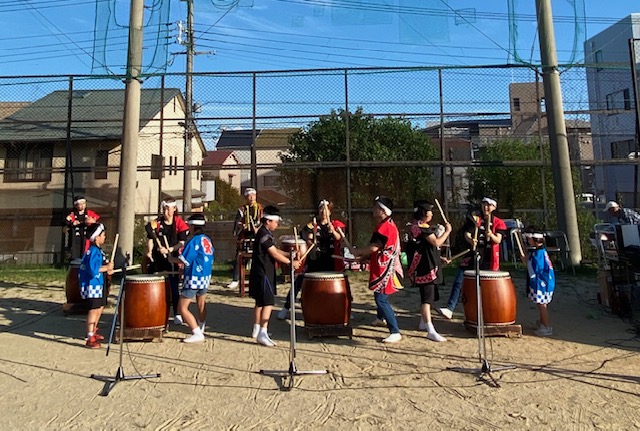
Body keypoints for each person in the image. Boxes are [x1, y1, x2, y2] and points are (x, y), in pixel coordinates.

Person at [438, 197, 507, 319]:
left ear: (494, 208)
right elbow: (467, 233)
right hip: (472, 253)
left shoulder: (498, 222)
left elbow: (498, 240)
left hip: (488, 257)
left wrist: (491, 235)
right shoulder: (475, 219)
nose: (486, 207)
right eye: (484, 204)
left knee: (485, 287)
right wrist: (471, 239)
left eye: (489, 205)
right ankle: (450, 308)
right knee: (459, 280)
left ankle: (487, 313)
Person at [277, 199, 347, 320]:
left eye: (325, 209)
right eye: (321, 209)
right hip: (315, 259)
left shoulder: (337, 224)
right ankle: (286, 307)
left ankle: (343, 309)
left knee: (338, 285)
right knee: (299, 281)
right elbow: (308, 238)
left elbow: (340, 238)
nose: (323, 212)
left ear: (330, 212)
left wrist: (333, 231)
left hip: (332, 260)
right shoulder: (313, 225)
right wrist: (311, 242)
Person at [352, 196, 404, 343]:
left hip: (385, 268)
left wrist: (358, 252)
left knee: (380, 298)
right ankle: (381, 318)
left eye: (375, 207)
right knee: (381, 295)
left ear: (382, 210)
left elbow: (374, 247)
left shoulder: (385, 227)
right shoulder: (386, 224)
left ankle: (395, 331)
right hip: (382, 265)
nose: (373, 209)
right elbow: (377, 248)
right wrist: (364, 258)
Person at [249, 205, 301, 347]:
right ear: (268, 221)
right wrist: (291, 262)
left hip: (262, 271)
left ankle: (258, 329)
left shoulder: (264, 233)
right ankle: (262, 332)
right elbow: (274, 254)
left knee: (260, 302)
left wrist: (288, 254)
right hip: (264, 272)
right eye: (276, 222)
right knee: (268, 302)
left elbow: (275, 249)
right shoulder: (264, 234)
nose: (277, 224)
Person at [405, 200, 452, 342]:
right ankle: (430, 329)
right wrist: (448, 231)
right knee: (426, 298)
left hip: (425, 264)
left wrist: (440, 258)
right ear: (424, 213)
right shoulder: (422, 228)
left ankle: (422, 322)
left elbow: (427, 248)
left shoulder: (416, 226)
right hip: (425, 267)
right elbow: (436, 242)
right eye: (430, 211)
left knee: (428, 296)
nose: (432, 214)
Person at [170, 213, 214, 343]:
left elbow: (183, 259)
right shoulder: (207, 239)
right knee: (201, 304)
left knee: (182, 307)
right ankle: (201, 327)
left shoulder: (194, 241)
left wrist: (170, 258)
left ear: (193, 226)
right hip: (205, 276)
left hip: (194, 277)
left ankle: (196, 332)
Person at [145, 199, 189, 325]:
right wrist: (149, 251)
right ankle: (153, 311)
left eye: (169, 209)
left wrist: (169, 249)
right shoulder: (156, 223)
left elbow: (182, 242)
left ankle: (177, 313)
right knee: (153, 285)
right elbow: (150, 237)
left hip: (172, 257)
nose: (166, 212)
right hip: (158, 258)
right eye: (164, 209)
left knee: (174, 287)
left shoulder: (179, 223)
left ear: (174, 209)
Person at [78, 223, 114, 348]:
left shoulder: (98, 251)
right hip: (93, 286)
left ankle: (94, 330)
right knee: (94, 309)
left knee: (100, 307)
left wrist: (108, 268)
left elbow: (101, 267)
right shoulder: (93, 251)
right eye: (103, 235)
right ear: (97, 237)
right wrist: (106, 268)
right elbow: (93, 270)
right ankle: (89, 336)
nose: (104, 237)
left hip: (99, 284)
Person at [520, 227, 555, 336]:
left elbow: (536, 268)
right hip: (543, 282)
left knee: (542, 304)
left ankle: (546, 326)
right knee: (541, 304)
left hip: (542, 283)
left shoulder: (539, 253)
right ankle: (542, 322)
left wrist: (526, 260)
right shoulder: (538, 251)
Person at [227, 188, 264, 289]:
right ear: (246, 197)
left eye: (253, 195)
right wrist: (241, 226)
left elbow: (263, 221)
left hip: (257, 236)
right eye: (249, 195)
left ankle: (260, 278)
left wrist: (258, 228)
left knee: (260, 257)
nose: (251, 197)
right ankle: (236, 279)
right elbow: (237, 222)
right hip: (245, 235)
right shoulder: (242, 209)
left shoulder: (260, 208)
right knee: (239, 257)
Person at [65, 196, 100, 260]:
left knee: (86, 251)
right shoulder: (72, 214)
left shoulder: (89, 213)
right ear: (76, 205)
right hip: (76, 237)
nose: (82, 205)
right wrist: (71, 222)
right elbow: (67, 222)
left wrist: (91, 221)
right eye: (80, 204)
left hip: (86, 236)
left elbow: (96, 221)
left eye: (83, 203)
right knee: (75, 251)